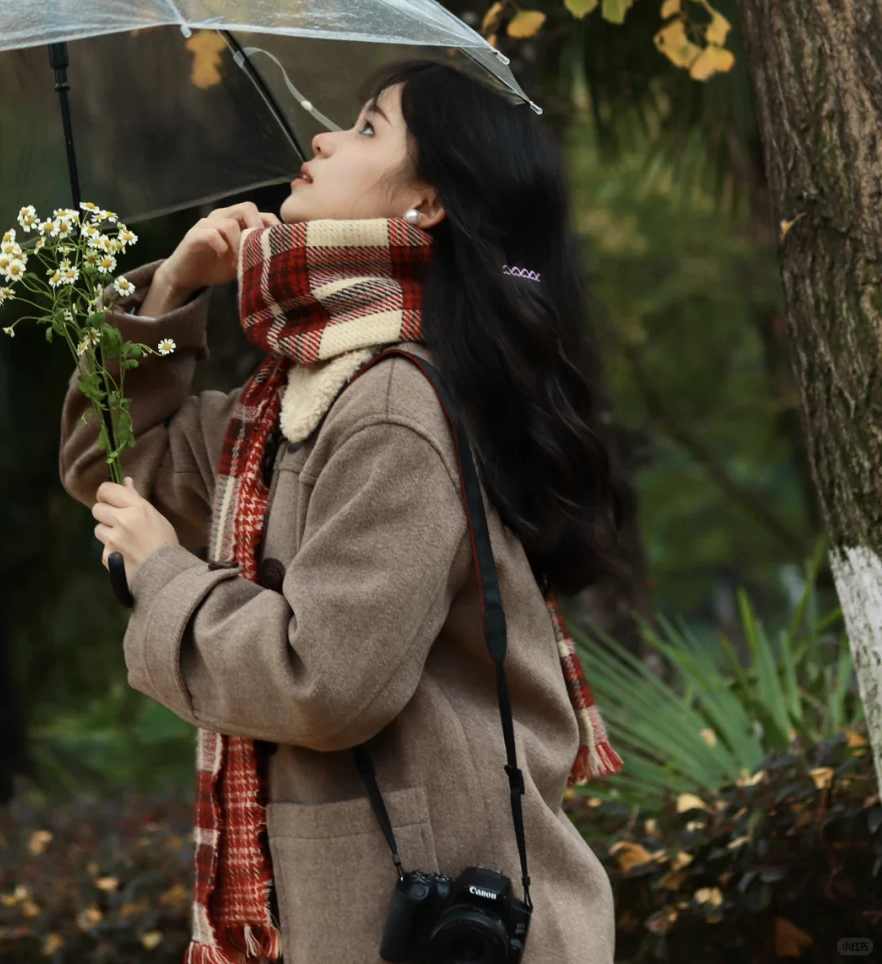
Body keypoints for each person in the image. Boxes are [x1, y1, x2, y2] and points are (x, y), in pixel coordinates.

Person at [60, 58, 624, 964]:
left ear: (427, 203)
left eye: (366, 128)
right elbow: (115, 463)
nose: (321, 140)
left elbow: (324, 681)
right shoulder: (290, 402)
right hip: (370, 910)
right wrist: (170, 293)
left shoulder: (391, 406)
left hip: (422, 921)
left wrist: (164, 574)